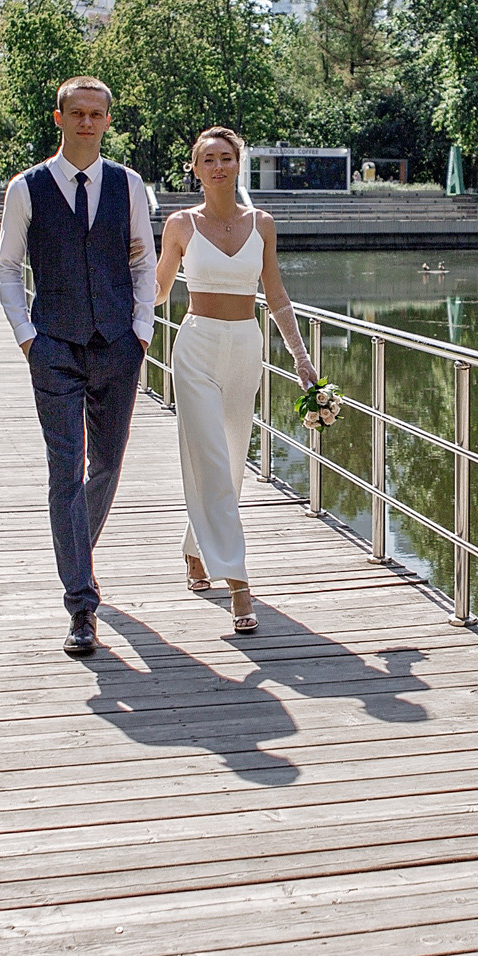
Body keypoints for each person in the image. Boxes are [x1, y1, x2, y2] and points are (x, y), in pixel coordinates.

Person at [0, 77, 156, 658]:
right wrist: (27, 337)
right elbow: (8, 267)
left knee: (107, 463)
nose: (87, 122)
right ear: (59, 117)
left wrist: (142, 330)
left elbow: (143, 259)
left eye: (97, 114)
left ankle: (74, 549)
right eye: (77, 113)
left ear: (107, 121)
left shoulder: (129, 185)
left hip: (118, 343)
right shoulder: (28, 188)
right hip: (54, 346)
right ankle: (81, 606)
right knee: (65, 470)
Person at [152, 126, 317, 635]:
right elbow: (157, 292)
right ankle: (238, 582)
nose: (218, 166)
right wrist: (118, 313)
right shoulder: (180, 225)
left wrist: (302, 358)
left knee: (230, 457)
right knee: (210, 457)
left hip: (247, 346)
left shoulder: (262, 223)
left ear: (238, 164)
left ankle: (195, 549)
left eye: (226, 157)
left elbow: (278, 296)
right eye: (208, 159)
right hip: (196, 346)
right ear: (195, 168)